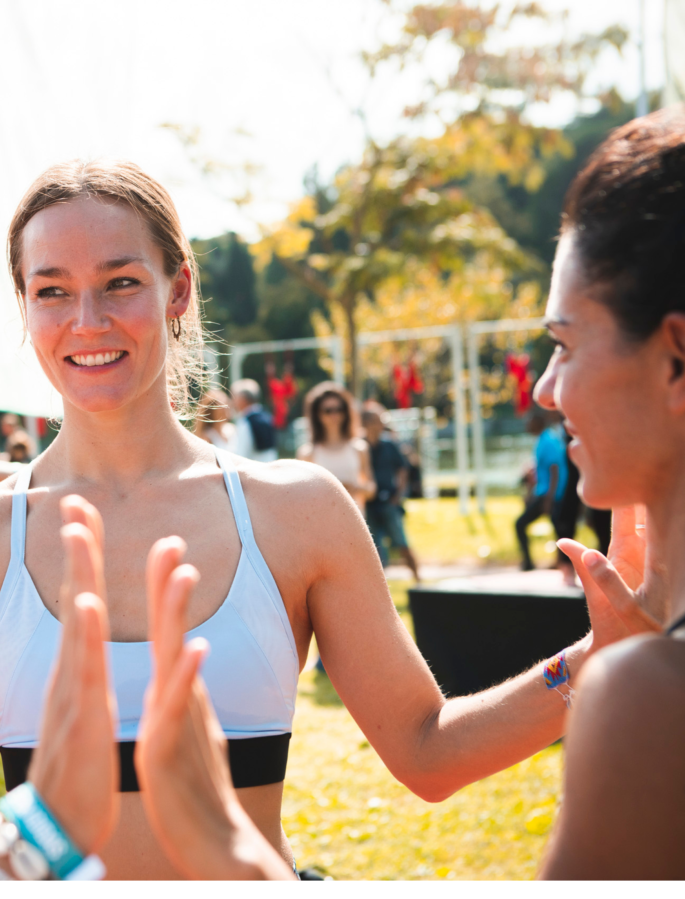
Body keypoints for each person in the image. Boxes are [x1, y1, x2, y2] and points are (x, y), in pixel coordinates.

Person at [0, 158, 643, 880]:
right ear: (25, 310)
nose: (87, 321)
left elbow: (425, 745)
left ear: (178, 291)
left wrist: (597, 661)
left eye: (120, 283)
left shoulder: (295, 512)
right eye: (53, 290)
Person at [130, 108, 685, 880]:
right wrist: (600, 655)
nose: (549, 389)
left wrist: (224, 844)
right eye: (50, 288)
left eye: (562, 344)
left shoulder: (648, 692)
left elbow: (427, 746)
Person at [361, 403, 420, 581]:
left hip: (389, 501)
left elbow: (403, 469)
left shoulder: (389, 444)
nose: (378, 425)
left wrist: (398, 495)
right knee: (375, 549)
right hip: (368, 503)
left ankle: (418, 579)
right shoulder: (359, 446)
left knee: (401, 542)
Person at [297, 382, 374, 511]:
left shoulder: (359, 448)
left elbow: (371, 489)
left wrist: (354, 488)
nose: (334, 415)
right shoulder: (307, 453)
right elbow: (301, 495)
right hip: (321, 520)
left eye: (339, 409)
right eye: (328, 410)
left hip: (355, 519)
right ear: (317, 415)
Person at [515, 407, 571, 575]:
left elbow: (554, 469)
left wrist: (549, 498)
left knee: (521, 524)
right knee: (559, 528)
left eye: (529, 421)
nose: (527, 424)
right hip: (545, 493)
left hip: (551, 494)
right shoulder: (542, 440)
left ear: (538, 422)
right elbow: (542, 472)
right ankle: (559, 562)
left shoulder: (548, 440)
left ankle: (532, 562)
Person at [229, 378, 277, 462]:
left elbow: (241, 454)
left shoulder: (246, 422)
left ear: (243, 399)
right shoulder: (267, 416)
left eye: (234, 397)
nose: (233, 402)